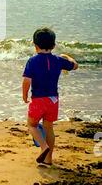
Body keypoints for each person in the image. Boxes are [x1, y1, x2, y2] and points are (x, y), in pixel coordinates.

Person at [22, 27, 78, 165]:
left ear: (35, 46)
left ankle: (43, 147)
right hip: (53, 100)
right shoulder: (58, 60)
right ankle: (48, 160)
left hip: (38, 100)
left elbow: (26, 81)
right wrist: (67, 56)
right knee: (49, 127)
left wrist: (24, 96)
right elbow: (75, 66)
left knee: (32, 125)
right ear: (53, 45)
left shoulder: (32, 61)